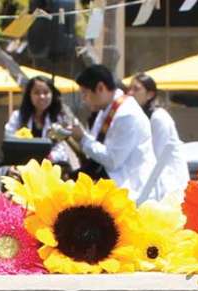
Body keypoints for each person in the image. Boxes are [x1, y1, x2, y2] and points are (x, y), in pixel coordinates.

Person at [66, 64, 154, 198]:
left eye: (85, 93)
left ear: (100, 88)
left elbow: (113, 160)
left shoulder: (127, 114)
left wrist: (83, 139)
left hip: (130, 189)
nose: (83, 99)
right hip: (111, 183)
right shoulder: (107, 110)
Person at [127, 73, 190, 201]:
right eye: (129, 89)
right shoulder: (139, 118)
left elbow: (159, 157)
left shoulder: (158, 118)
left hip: (170, 184)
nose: (130, 93)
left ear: (150, 94)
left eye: (136, 89)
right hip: (154, 181)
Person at [4, 76, 79, 176]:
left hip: (51, 169)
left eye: (46, 92)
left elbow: (62, 148)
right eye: (37, 93)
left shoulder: (61, 118)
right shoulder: (17, 117)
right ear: (29, 95)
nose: (42, 96)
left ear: (52, 94)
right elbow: (10, 144)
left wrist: (49, 158)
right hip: (22, 168)